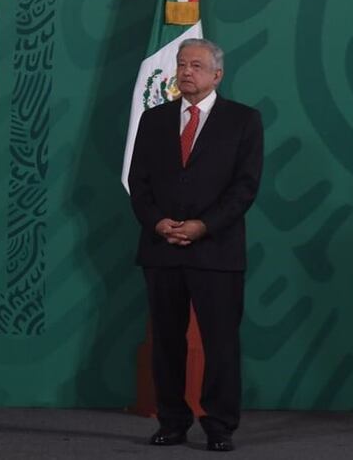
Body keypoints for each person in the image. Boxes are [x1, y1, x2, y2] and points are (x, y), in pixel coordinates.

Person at [127, 38, 263, 452]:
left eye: (197, 66)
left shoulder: (243, 121)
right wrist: (158, 223)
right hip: (162, 247)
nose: (187, 72)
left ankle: (219, 425)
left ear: (217, 75)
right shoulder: (153, 119)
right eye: (182, 65)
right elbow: (138, 182)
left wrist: (205, 226)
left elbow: (245, 187)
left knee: (220, 343)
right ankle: (172, 422)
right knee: (167, 342)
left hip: (216, 250)